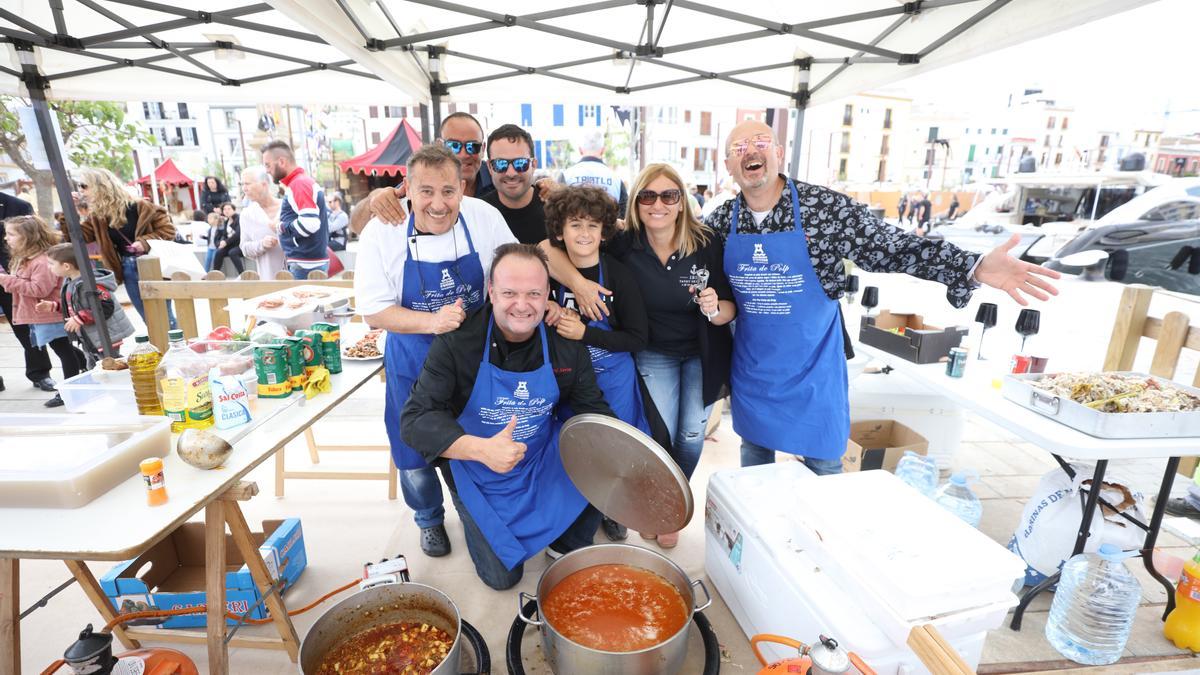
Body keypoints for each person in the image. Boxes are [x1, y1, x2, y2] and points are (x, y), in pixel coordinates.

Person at [705, 121, 1060, 474]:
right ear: (729, 167)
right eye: (738, 148)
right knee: (754, 463)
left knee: (825, 466)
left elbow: (894, 247)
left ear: (778, 152)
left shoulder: (824, 208)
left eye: (760, 142)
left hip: (813, 370)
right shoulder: (721, 221)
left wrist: (972, 265)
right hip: (754, 369)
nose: (750, 151)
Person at [400, 243, 615, 590]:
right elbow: (414, 419)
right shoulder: (458, 342)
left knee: (592, 477)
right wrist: (480, 449)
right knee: (503, 578)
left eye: (533, 293)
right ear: (491, 292)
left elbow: (593, 408)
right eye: (509, 292)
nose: (521, 304)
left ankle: (562, 541)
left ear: (548, 294)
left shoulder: (565, 341)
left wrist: (622, 460)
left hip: (540, 458)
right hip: (476, 466)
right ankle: (471, 512)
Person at [542, 163, 735, 548]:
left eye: (669, 195)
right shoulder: (624, 243)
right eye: (648, 195)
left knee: (692, 437)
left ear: (682, 201)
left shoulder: (707, 242)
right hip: (651, 350)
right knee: (658, 435)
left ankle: (670, 509)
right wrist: (579, 285)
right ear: (636, 203)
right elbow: (547, 249)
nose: (658, 204)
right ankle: (650, 505)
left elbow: (730, 308)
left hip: (701, 350)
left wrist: (714, 308)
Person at [355, 145, 518, 558]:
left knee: (477, 437)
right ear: (406, 188)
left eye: (448, 191)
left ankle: (481, 510)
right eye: (426, 192)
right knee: (413, 451)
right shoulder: (382, 230)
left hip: (474, 356)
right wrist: (431, 322)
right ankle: (428, 519)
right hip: (412, 357)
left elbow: (512, 268)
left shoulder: (484, 218)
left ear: (462, 188)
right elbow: (374, 312)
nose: (438, 204)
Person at [543, 184, 658, 542]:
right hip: (562, 381)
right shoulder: (545, 271)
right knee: (571, 451)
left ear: (605, 231)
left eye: (593, 226)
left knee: (612, 454)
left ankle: (612, 510)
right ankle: (571, 516)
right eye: (575, 224)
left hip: (612, 379)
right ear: (560, 230)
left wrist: (585, 335)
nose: (584, 233)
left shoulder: (619, 276)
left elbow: (638, 338)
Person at [65, 168, 176, 324]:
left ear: (100, 186)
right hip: (129, 268)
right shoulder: (98, 217)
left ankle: (176, 347)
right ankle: (162, 347)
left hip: (153, 265)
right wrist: (69, 210)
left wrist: (144, 242)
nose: (81, 191)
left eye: (84, 186)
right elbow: (75, 238)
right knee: (149, 318)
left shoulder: (141, 207)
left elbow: (168, 230)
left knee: (164, 316)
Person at [353, 113, 495, 233]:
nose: (464, 154)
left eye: (473, 147)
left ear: (483, 149)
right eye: (454, 145)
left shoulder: (499, 179)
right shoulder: (420, 182)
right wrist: (373, 201)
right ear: (440, 145)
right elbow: (357, 226)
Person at [0, 216, 86, 407]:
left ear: (27, 237)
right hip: (42, 315)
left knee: (64, 351)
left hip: (50, 315)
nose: (6, 238)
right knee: (65, 349)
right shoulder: (28, 259)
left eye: (11, 234)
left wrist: (5, 280)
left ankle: (68, 393)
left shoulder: (40, 261)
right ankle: (86, 370)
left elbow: (39, 290)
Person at [42, 243, 135, 366]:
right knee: (94, 365)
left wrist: (79, 318)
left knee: (110, 364)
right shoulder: (71, 282)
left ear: (66, 266)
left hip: (104, 335)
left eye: (51, 264)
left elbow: (105, 306)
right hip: (89, 336)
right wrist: (56, 306)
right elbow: (76, 304)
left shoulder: (91, 284)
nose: (49, 267)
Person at [0, 190, 53, 394]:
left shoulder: (17, 206)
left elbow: (34, 241)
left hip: (13, 276)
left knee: (27, 327)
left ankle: (40, 373)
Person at [262, 140, 330, 279]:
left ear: (281, 161)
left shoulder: (298, 184)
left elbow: (310, 224)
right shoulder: (300, 182)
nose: (267, 170)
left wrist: (280, 226)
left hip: (305, 264)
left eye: (268, 165)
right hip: (308, 261)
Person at [480, 124, 546, 244]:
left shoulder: (554, 208)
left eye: (520, 163)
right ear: (489, 167)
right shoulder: (479, 213)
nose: (511, 173)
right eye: (500, 164)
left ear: (534, 165)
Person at [559, 130, 628, 215]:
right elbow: (624, 216)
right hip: (608, 228)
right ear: (603, 150)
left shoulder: (567, 175)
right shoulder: (616, 179)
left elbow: (558, 211)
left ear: (580, 150)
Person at [238, 167, 285, 280]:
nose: (244, 188)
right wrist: (262, 244)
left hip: (297, 276)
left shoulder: (287, 207)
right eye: (242, 184)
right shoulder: (247, 214)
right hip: (269, 279)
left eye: (248, 184)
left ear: (264, 184)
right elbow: (244, 248)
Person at [210, 202, 245, 275]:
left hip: (240, 244)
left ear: (234, 210)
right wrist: (222, 242)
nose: (226, 211)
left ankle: (242, 274)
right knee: (219, 252)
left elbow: (238, 234)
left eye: (229, 209)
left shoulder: (239, 219)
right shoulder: (226, 221)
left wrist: (226, 242)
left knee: (232, 252)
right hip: (231, 245)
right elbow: (224, 235)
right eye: (224, 209)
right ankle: (215, 274)